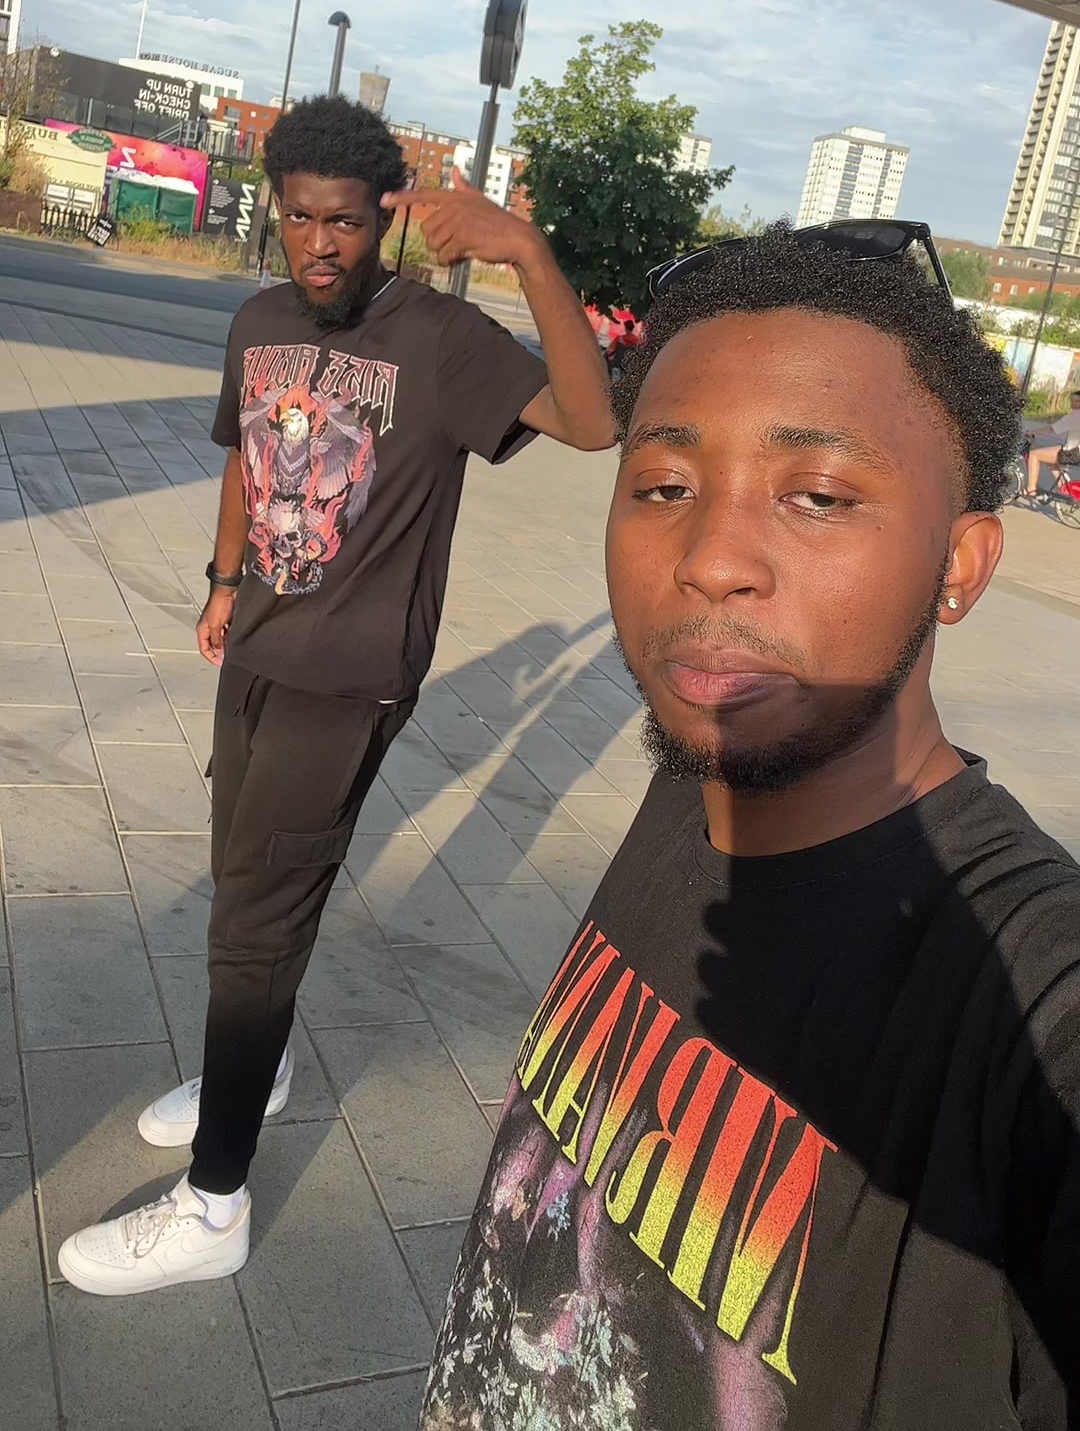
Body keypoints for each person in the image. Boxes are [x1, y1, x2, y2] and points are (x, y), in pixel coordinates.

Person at [422, 224, 1080, 1430]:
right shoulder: (703, 777)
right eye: (664, 488)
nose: (712, 559)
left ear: (962, 565)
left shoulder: (1029, 994)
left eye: (818, 497)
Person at [58, 96, 614, 1297]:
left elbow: (593, 420)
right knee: (246, 882)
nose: (321, 243)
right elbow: (245, 457)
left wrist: (526, 252)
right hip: (259, 650)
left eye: (347, 223)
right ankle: (257, 1064)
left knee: (251, 926)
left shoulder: (442, 338)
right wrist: (223, 583)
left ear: (385, 220)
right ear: (279, 211)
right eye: (302, 218)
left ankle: (215, 1203)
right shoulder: (258, 320)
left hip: (349, 679)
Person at [1025, 385, 1080, 497]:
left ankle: (1031, 489)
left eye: (1077, 401)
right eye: (1072, 400)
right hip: (1075, 451)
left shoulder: (1074, 417)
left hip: (1072, 453)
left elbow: (1051, 430)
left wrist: (1032, 432)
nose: (1073, 404)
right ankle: (1062, 485)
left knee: (1034, 454)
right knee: (1050, 458)